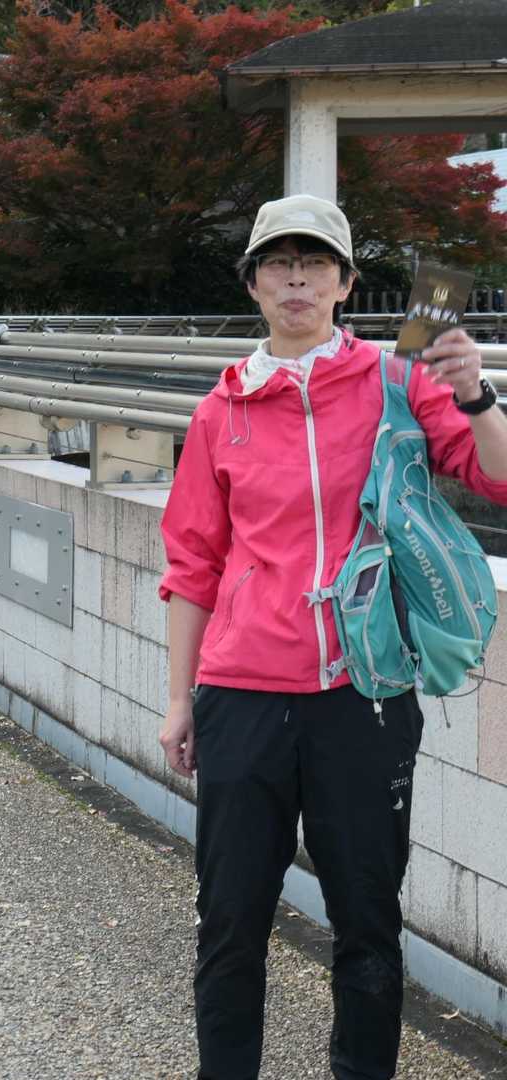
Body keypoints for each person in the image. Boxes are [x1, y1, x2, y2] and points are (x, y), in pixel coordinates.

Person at [157, 194, 507, 1080]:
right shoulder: (221, 410)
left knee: (367, 923)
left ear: (347, 283)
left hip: (366, 694)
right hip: (241, 694)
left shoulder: (401, 383)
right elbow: (192, 564)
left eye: (316, 263)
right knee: (230, 920)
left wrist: (477, 394)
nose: (298, 279)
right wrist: (178, 700)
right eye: (279, 263)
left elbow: (498, 478)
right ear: (253, 284)